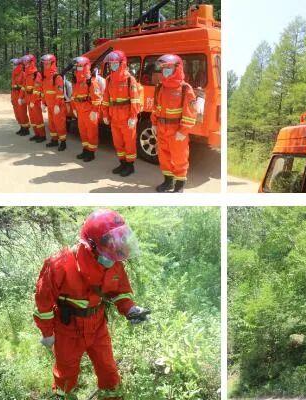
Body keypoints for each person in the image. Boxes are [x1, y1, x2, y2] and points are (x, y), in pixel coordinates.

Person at [33, 209, 150, 400]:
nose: (115, 247)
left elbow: (120, 291)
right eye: (109, 241)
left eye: (118, 239)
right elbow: (43, 303)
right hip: (67, 329)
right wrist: (47, 333)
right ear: (92, 244)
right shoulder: (59, 264)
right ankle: (62, 397)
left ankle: (112, 397)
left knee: (108, 369)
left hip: (97, 326)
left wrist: (130, 309)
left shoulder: (114, 260)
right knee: (66, 372)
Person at [151, 54, 198, 193]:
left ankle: (179, 185)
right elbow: (156, 108)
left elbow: (190, 112)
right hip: (161, 128)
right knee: (163, 156)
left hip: (176, 130)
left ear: (177, 69)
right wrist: (154, 123)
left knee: (179, 158)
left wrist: (183, 131)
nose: (165, 71)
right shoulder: (160, 87)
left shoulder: (185, 89)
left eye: (169, 68)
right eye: (163, 68)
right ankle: (168, 181)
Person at [102, 50, 142, 177]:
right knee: (118, 142)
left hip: (127, 118)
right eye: (111, 63)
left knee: (129, 142)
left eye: (115, 63)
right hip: (114, 117)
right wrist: (105, 115)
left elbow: (135, 99)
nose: (112, 65)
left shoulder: (130, 80)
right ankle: (122, 163)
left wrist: (133, 116)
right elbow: (106, 99)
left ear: (122, 63)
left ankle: (130, 166)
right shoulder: (109, 80)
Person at [71, 56, 103, 162]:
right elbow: (74, 97)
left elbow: (97, 98)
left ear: (85, 66)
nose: (77, 68)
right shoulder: (76, 82)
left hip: (89, 112)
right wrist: (74, 108)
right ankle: (85, 150)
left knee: (91, 133)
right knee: (83, 132)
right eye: (77, 66)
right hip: (80, 112)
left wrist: (94, 111)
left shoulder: (91, 82)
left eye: (79, 66)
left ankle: (91, 152)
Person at [41, 54, 68, 151]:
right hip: (50, 105)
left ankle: (63, 142)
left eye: (47, 64)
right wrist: (43, 103)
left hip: (58, 106)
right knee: (51, 124)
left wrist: (57, 105)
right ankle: (54, 140)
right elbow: (44, 91)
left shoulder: (57, 77)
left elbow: (60, 93)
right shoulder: (45, 78)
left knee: (59, 124)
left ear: (52, 64)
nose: (45, 66)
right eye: (44, 64)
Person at [20, 54, 47, 143]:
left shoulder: (36, 74)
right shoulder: (27, 74)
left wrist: (32, 100)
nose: (25, 64)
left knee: (38, 118)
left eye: (27, 62)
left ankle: (42, 135)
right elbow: (24, 87)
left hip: (35, 100)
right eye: (24, 62)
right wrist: (21, 97)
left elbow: (37, 90)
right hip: (29, 100)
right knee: (32, 119)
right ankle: (36, 134)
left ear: (32, 62)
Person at [10, 58, 30, 136]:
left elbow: (24, 87)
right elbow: (12, 87)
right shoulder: (14, 74)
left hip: (20, 96)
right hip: (14, 95)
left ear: (17, 65)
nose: (12, 66)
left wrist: (22, 98)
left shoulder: (23, 73)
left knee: (22, 113)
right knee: (17, 113)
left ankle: (26, 129)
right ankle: (22, 127)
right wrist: (12, 97)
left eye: (13, 64)